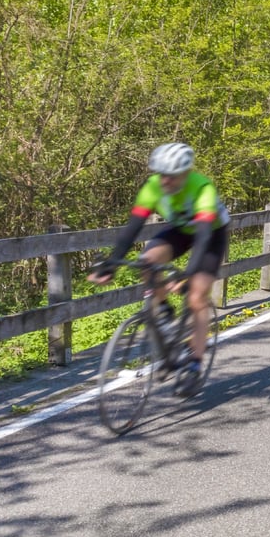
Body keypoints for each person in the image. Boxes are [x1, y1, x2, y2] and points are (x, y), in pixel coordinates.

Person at [88, 142, 230, 399]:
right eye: (161, 173)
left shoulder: (202, 188)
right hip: (179, 231)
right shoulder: (152, 187)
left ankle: (194, 364)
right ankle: (164, 311)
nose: (165, 180)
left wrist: (188, 275)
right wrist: (111, 264)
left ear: (185, 173)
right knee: (147, 260)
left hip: (210, 235)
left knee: (197, 297)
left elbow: (203, 238)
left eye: (171, 176)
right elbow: (132, 229)